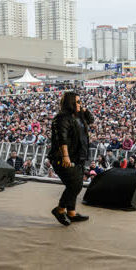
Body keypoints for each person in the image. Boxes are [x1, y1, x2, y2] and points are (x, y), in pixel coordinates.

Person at [48, 92, 94, 226]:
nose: (80, 104)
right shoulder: (61, 118)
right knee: (75, 185)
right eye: (78, 102)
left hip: (78, 157)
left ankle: (71, 212)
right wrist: (65, 156)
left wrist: (85, 110)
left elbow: (90, 120)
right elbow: (61, 138)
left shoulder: (78, 116)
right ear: (70, 103)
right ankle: (60, 209)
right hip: (64, 158)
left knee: (76, 184)